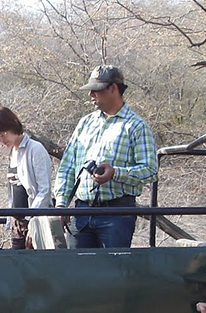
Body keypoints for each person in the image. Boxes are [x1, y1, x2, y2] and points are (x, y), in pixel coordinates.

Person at [53, 65, 158, 248]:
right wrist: (61, 204)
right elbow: (68, 166)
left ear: (113, 88)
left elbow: (150, 170)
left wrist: (115, 173)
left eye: (97, 89)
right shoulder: (86, 123)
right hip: (82, 211)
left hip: (117, 213)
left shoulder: (136, 126)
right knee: (75, 264)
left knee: (113, 265)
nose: (91, 94)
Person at [0, 107, 52, 249]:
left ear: (13, 125)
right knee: (16, 260)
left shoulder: (35, 149)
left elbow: (44, 190)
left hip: (36, 219)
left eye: (2, 134)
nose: (0, 140)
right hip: (17, 222)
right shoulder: (12, 152)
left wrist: (34, 223)